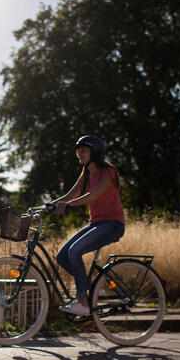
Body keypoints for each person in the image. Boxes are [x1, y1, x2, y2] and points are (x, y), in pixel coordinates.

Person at [50, 135, 125, 316]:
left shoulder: (108, 171)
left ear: (94, 152)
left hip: (112, 224)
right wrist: (47, 206)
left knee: (74, 251)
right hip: (96, 223)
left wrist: (67, 205)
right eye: (78, 151)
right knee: (62, 257)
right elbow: (70, 195)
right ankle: (94, 289)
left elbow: (94, 195)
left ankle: (83, 302)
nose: (79, 154)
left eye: (83, 151)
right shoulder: (86, 175)